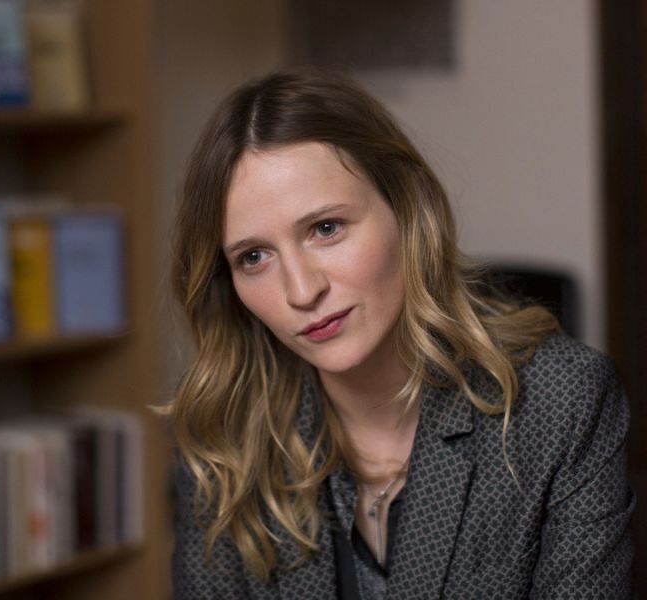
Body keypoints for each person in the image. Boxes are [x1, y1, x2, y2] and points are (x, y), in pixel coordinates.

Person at [163, 68, 634, 599]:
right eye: (254, 257)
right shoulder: (222, 439)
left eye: (326, 228)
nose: (302, 291)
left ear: (407, 208)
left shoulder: (560, 401)